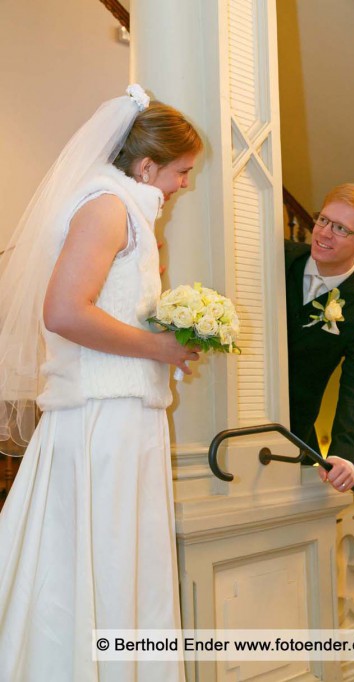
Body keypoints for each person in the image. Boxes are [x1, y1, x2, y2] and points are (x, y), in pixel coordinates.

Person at [0, 85, 202, 680]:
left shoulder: (130, 211)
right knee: (94, 563)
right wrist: (158, 346)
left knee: (119, 564)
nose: (183, 184)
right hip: (100, 420)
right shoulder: (107, 207)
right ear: (146, 165)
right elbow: (63, 311)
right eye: (182, 171)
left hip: (126, 417)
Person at [284, 184, 354, 493]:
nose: (324, 233)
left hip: (293, 438)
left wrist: (345, 453)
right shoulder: (279, 255)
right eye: (323, 220)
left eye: (341, 229)